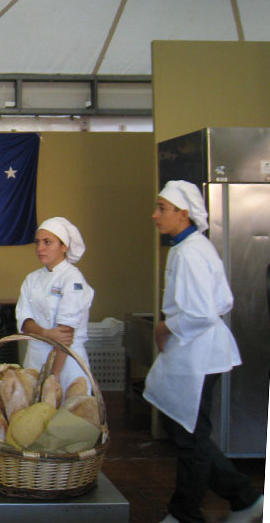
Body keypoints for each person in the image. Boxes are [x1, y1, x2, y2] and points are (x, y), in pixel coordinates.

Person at [145, 180, 263, 523]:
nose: (155, 215)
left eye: (162, 208)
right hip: (195, 352)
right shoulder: (188, 247)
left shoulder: (193, 253)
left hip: (199, 355)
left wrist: (164, 326)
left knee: (190, 437)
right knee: (184, 429)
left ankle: (186, 514)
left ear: (184, 214)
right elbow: (224, 299)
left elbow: (202, 313)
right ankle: (244, 496)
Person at [15, 217, 94, 392]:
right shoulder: (31, 279)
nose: (40, 248)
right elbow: (24, 321)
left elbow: (65, 335)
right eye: (37, 243)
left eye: (47, 242)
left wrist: (55, 374)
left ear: (64, 246)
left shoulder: (73, 279)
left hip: (66, 363)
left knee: (69, 416)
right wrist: (46, 332)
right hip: (35, 359)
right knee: (34, 415)